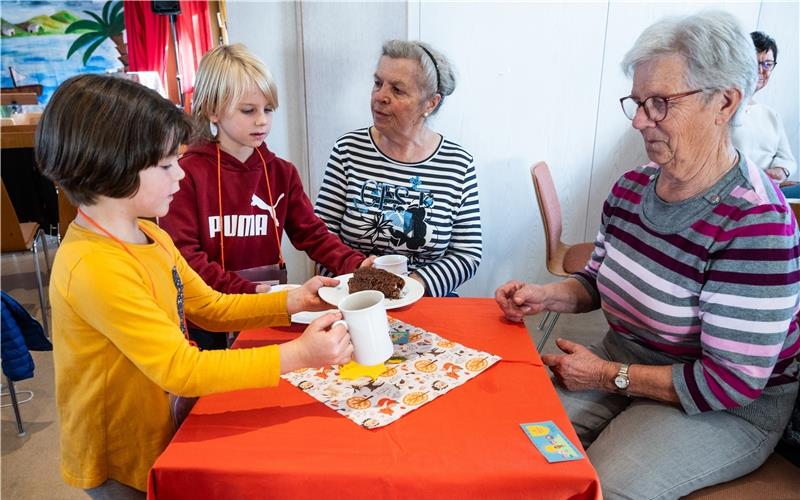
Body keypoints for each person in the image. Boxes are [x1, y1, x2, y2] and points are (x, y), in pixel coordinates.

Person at [496, 11, 799, 499]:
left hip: (724, 406)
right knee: (512, 449)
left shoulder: (756, 223)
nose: (640, 121)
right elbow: (597, 279)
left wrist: (604, 376)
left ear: (724, 102)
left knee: (605, 488)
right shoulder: (634, 185)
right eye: (637, 103)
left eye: (660, 103)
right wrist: (547, 295)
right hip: (628, 358)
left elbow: (729, 384)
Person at [36, 74, 353, 497]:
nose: (181, 176)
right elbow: (182, 369)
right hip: (122, 451)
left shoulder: (151, 235)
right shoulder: (93, 266)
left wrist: (292, 301)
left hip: (163, 419)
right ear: (111, 168)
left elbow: (210, 307)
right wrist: (299, 354)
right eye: (167, 165)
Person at [159, 44, 372, 350]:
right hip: (208, 318)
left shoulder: (281, 172)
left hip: (265, 310)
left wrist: (357, 265)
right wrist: (248, 290)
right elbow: (185, 257)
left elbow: (312, 234)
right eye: (249, 110)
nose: (262, 120)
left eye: (268, 110)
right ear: (213, 110)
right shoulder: (186, 174)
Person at [314, 40, 482, 297]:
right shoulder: (348, 149)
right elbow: (320, 234)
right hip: (352, 296)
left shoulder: (457, 164)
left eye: (397, 90)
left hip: (424, 301)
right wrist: (358, 276)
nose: (380, 96)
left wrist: (413, 285)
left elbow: (467, 253)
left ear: (431, 103)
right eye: (378, 83)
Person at [731, 31, 797, 192]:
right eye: (755, 63)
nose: (762, 70)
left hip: (770, 187)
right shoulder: (722, 109)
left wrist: (781, 171)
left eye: (768, 64)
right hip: (738, 190)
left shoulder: (771, 115)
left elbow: (787, 159)